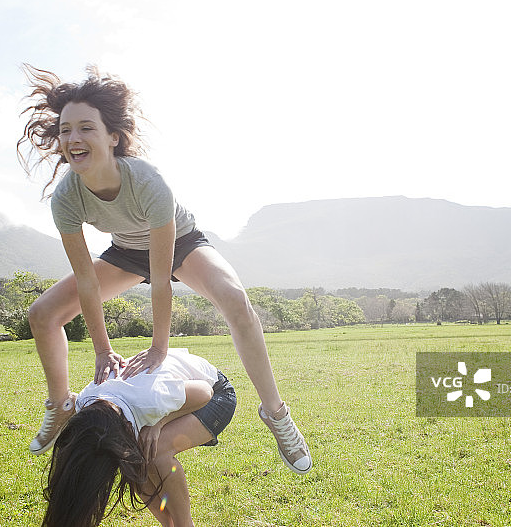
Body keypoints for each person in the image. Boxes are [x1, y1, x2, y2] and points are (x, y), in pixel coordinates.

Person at [18, 64, 311, 475]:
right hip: (125, 251)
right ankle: (61, 403)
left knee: (237, 303)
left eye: (86, 127)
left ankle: (276, 414)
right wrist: (102, 349)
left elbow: (161, 280)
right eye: (66, 130)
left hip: (181, 244)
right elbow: (86, 280)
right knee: (43, 315)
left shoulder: (148, 182)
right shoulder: (66, 197)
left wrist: (159, 347)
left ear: (113, 137)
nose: (73, 138)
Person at [42, 347, 234, 527]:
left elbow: (204, 392)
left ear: (126, 425)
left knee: (155, 451)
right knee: (134, 459)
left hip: (215, 392)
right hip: (166, 392)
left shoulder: (150, 399)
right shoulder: (86, 406)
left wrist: (158, 423)